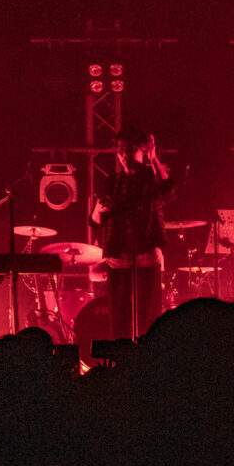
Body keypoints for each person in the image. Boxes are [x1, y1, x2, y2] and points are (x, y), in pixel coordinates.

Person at [90, 128, 173, 339]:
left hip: (146, 253)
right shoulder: (112, 182)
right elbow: (95, 222)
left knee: (149, 317)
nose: (124, 154)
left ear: (141, 151)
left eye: (129, 149)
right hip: (119, 256)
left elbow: (167, 189)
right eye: (120, 150)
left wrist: (153, 158)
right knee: (119, 317)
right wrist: (98, 210)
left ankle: (148, 355)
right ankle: (122, 356)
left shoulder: (149, 178)